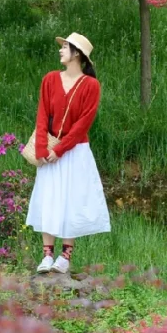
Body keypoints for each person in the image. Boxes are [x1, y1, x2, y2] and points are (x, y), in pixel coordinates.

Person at [26, 32, 111, 273]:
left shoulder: (91, 85)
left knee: (71, 200)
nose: (60, 50)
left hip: (75, 151)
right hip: (49, 149)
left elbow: (84, 123)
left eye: (65, 47)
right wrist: (42, 149)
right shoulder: (50, 79)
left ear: (77, 54)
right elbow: (42, 114)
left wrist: (61, 149)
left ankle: (65, 256)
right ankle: (46, 256)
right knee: (49, 197)